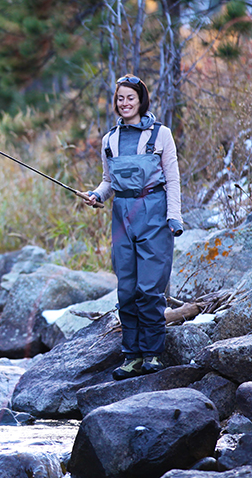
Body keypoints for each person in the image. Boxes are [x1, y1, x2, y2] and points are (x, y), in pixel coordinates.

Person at [84, 74, 184, 380]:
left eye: (130, 97)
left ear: (141, 100)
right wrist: (97, 195)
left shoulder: (161, 134)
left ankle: (152, 354)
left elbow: (173, 178)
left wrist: (174, 216)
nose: (124, 103)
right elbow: (108, 180)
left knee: (150, 289)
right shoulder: (109, 140)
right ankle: (131, 356)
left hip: (154, 213)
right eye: (120, 99)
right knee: (126, 289)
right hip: (122, 216)